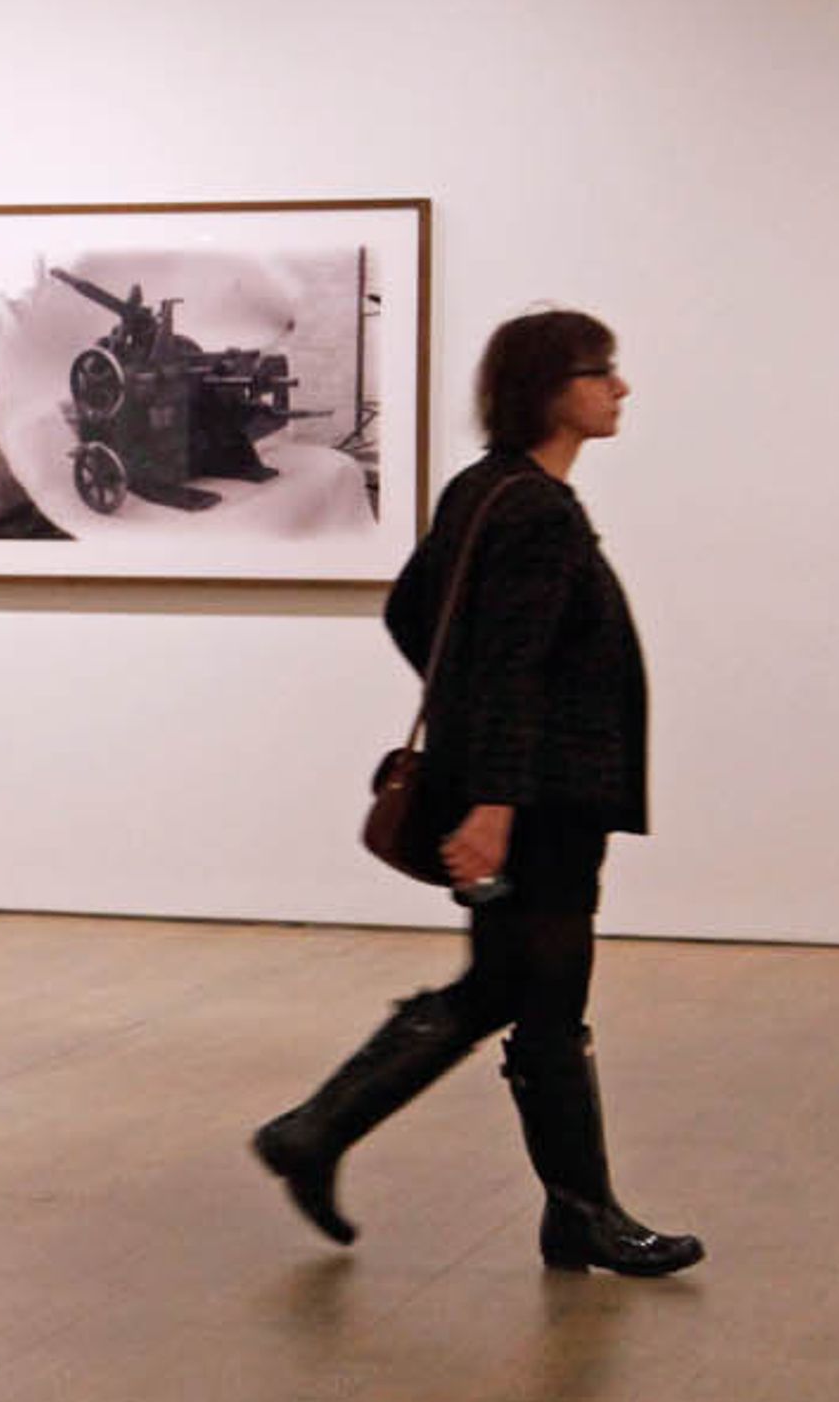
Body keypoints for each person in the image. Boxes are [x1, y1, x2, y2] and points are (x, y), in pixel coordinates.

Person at [251, 309, 701, 1277]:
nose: (619, 389)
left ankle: (321, 1132)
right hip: (538, 803)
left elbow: (412, 611)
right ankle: (578, 1210)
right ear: (550, 389)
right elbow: (508, 662)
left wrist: (459, 732)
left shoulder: (484, 490)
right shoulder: (534, 508)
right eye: (601, 372)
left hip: (526, 789)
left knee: (510, 986)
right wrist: (494, 799)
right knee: (543, 995)